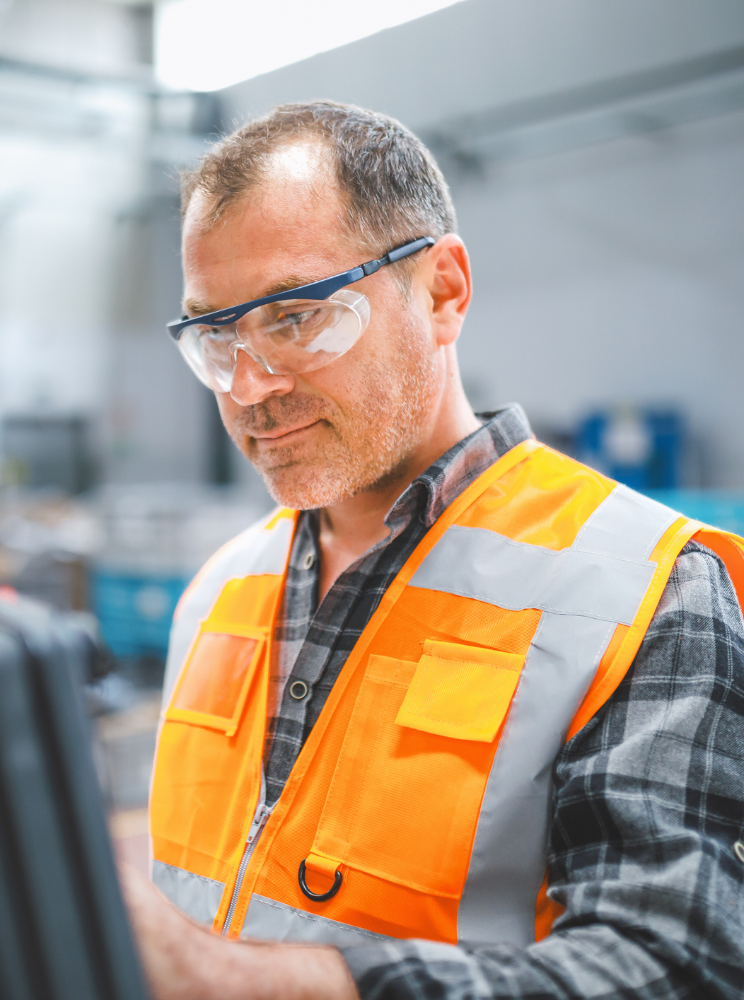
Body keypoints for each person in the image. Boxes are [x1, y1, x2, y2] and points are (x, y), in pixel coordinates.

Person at [121, 101, 744, 1000]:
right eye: (215, 334)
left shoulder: (640, 591)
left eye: (296, 317)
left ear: (443, 290)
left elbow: (671, 968)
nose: (249, 387)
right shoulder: (220, 587)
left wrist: (239, 982)